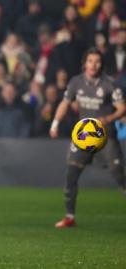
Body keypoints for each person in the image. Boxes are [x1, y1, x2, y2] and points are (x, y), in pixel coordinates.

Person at [50, 47, 126, 228]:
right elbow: (65, 103)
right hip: (83, 138)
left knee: (120, 176)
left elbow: (122, 108)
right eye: (90, 61)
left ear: (102, 65)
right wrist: (55, 124)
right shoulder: (76, 82)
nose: (93, 65)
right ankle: (69, 217)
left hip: (105, 136)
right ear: (85, 63)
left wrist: (107, 119)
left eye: (97, 61)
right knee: (71, 174)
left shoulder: (109, 84)